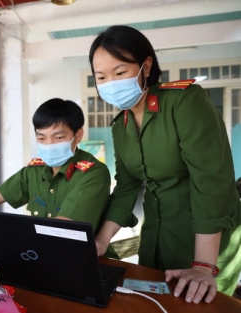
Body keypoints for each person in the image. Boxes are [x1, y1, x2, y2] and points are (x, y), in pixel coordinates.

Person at [89, 25, 241, 303]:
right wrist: (101, 240)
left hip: (205, 243)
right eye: (101, 77)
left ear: (145, 66)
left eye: (120, 72)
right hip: (156, 237)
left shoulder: (183, 101)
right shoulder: (120, 126)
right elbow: (126, 187)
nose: (110, 82)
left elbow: (211, 181)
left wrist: (204, 266)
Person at [0, 98, 116, 256]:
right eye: (42, 138)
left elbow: (63, 229)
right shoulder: (35, 170)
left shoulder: (93, 173)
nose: (49, 145)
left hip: (83, 258)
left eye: (58, 138)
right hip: (40, 254)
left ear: (77, 135)